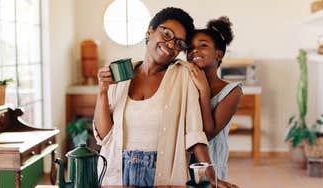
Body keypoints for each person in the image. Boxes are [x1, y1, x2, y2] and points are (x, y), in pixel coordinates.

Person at [93, 7, 237, 188]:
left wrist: (211, 177)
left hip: (163, 176)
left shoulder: (184, 75)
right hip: (116, 175)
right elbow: (105, 136)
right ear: (150, 31)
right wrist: (102, 91)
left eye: (179, 43)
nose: (171, 44)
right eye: (166, 34)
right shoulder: (122, 72)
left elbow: (194, 133)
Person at [187, 16, 243, 180]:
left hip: (210, 165)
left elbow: (208, 133)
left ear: (218, 55)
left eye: (203, 45)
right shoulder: (185, 83)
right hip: (182, 163)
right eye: (190, 48)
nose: (194, 51)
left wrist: (204, 91)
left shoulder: (231, 91)